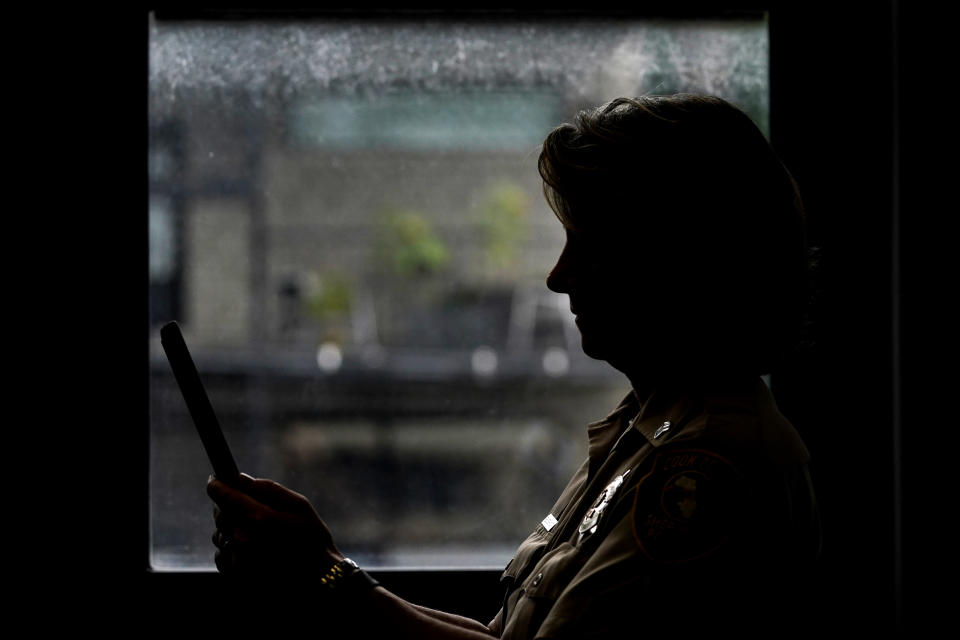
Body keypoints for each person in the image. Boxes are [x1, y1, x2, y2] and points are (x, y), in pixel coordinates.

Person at [206, 94, 821, 636]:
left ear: (675, 264)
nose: (558, 277)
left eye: (589, 246)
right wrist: (326, 572)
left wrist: (328, 579)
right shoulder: (648, 431)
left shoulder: (707, 471)